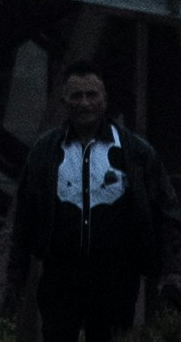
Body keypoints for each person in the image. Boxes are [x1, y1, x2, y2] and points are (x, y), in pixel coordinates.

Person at [30, 65, 169, 342]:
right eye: (76, 96)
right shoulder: (45, 150)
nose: (84, 103)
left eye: (91, 95)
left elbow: (163, 208)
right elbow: (26, 213)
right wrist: (16, 273)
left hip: (114, 279)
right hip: (61, 277)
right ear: (64, 101)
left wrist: (171, 269)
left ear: (104, 99)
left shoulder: (137, 151)